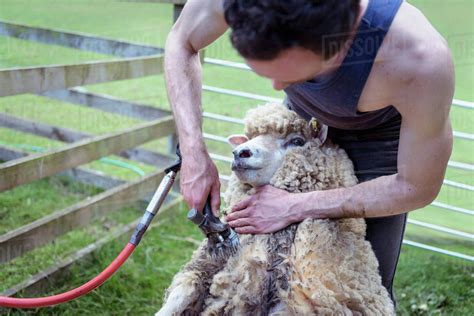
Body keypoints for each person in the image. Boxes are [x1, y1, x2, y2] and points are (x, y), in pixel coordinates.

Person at [164, 0, 454, 304]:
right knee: (256, 269)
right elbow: (181, 40)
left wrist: (295, 205)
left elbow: (416, 186)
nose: (277, 86)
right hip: (298, 128)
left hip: (378, 139)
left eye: (289, 75)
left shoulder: (419, 61)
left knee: (353, 284)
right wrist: (193, 152)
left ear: (336, 39)